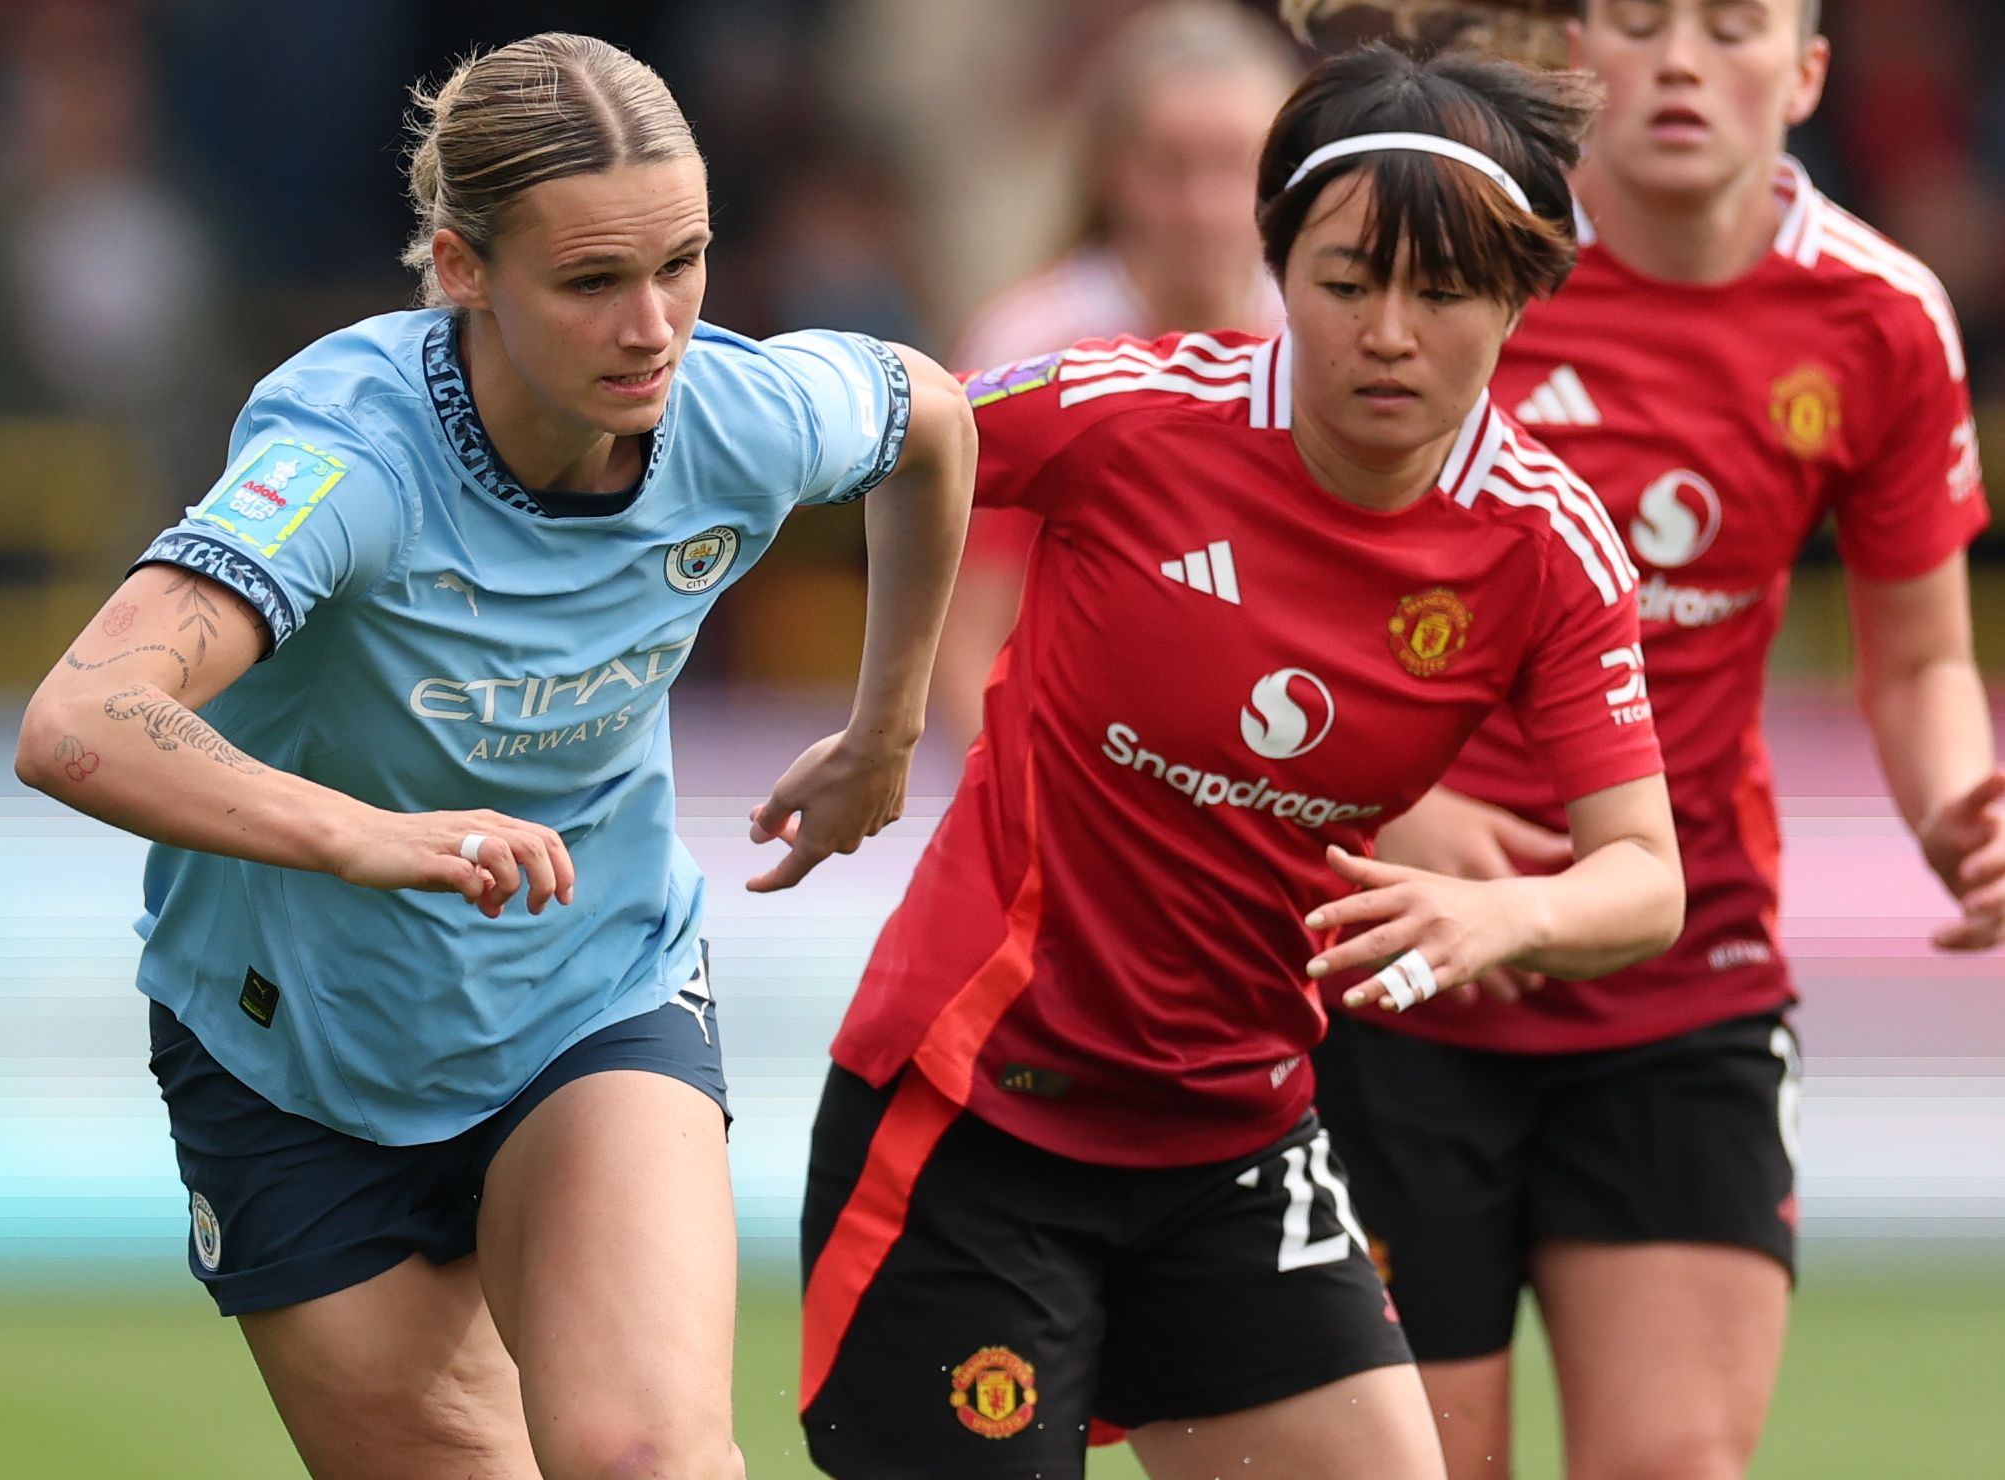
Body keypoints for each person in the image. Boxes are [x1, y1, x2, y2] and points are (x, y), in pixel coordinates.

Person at [13, 33, 977, 1480]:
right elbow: (78, 718)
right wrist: (358, 833)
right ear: (460, 268)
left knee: (643, 1456)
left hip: (591, 991)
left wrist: (882, 730)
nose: (653, 327)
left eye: (684, 262)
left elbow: (933, 421)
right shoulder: (351, 459)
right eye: (591, 281)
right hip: (288, 1051)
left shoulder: (738, 413)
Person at [799, 44, 1683, 1480]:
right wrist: (884, 722)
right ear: (1276, 267)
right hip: (971, 1125)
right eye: (1343, 284)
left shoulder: (1545, 543)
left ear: (1518, 301)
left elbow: (1642, 879)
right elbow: (907, 430)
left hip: (1233, 1145)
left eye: (1443, 291)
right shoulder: (1135, 412)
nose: (1386, 333)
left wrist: (1502, 913)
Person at [1299, 3, 2004, 1478]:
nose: (1679, 60)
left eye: (1732, 27)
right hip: (1396, 965)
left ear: (1806, 73)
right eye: (1634, 20)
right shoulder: (1450, 264)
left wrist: (1960, 805)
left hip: (1680, 976)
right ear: (1568, 58)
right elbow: (1284, 577)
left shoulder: (1876, 317)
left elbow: (1920, 659)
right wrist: (1377, 811)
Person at [931, 0, 1300, 746]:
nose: (1200, 208)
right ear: (1108, 171)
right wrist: (1018, 818)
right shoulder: (1030, 349)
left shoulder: (1324, 340)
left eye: (1234, 165)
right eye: (1167, 167)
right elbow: (966, 626)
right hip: (1072, 771)